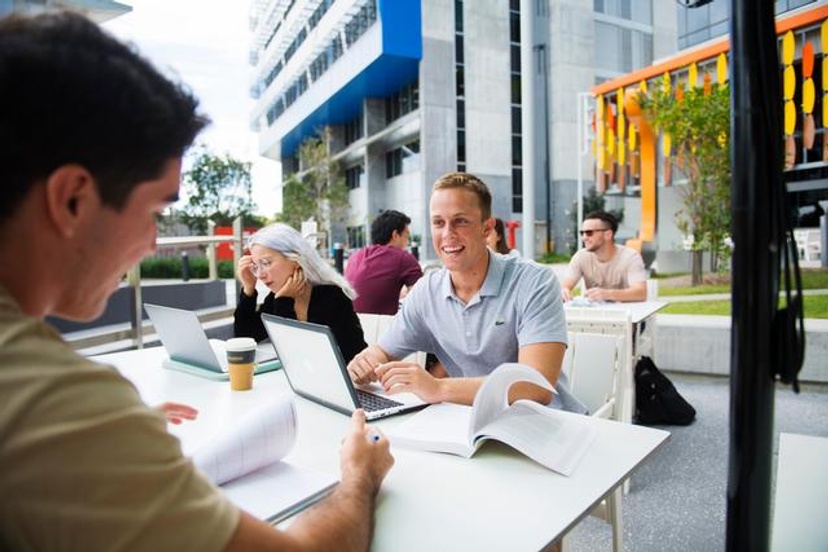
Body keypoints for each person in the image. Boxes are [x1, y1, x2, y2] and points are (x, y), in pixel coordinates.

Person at [0, 12, 392, 552]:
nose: (151, 244)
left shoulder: (47, 407)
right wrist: (360, 474)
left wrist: (100, 436)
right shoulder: (50, 403)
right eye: (155, 211)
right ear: (72, 200)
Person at [346, 172, 584, 412]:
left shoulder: (534, 281)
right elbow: (384, 351)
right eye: (438, 223)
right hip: (471, 422)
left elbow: (536, 387)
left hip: (546, 424)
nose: (447, 233)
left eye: (460, 221)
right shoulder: (426, 291)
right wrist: (365, 363)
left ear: (487, 228)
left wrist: (438, 388)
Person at [235, 223, 367, 363]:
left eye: (266, 263)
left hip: (344, 379)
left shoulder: (331, 297)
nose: (260, 274)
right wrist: (248, 291)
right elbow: (245, 337)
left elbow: (296, 355)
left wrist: (284, 302)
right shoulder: (277, 296)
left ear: (295, 259)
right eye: (255, 266)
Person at [344, 209, 423, 315]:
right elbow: (421, 300)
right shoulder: (402, 257)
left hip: (350, 325)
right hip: (381, 327)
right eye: (406, 235)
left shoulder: (355, 256)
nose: (407, 241)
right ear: (395, 235)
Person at [560, 210, 648, 303]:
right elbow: (566, 285)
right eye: (582, 233)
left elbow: (641, 293)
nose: (584, 237)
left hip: (629, 315)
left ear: (608, 234)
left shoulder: (630, 257)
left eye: (589, 233)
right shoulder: (581, 256)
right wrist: (564, 291)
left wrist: (608, 294)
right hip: (596, 315)